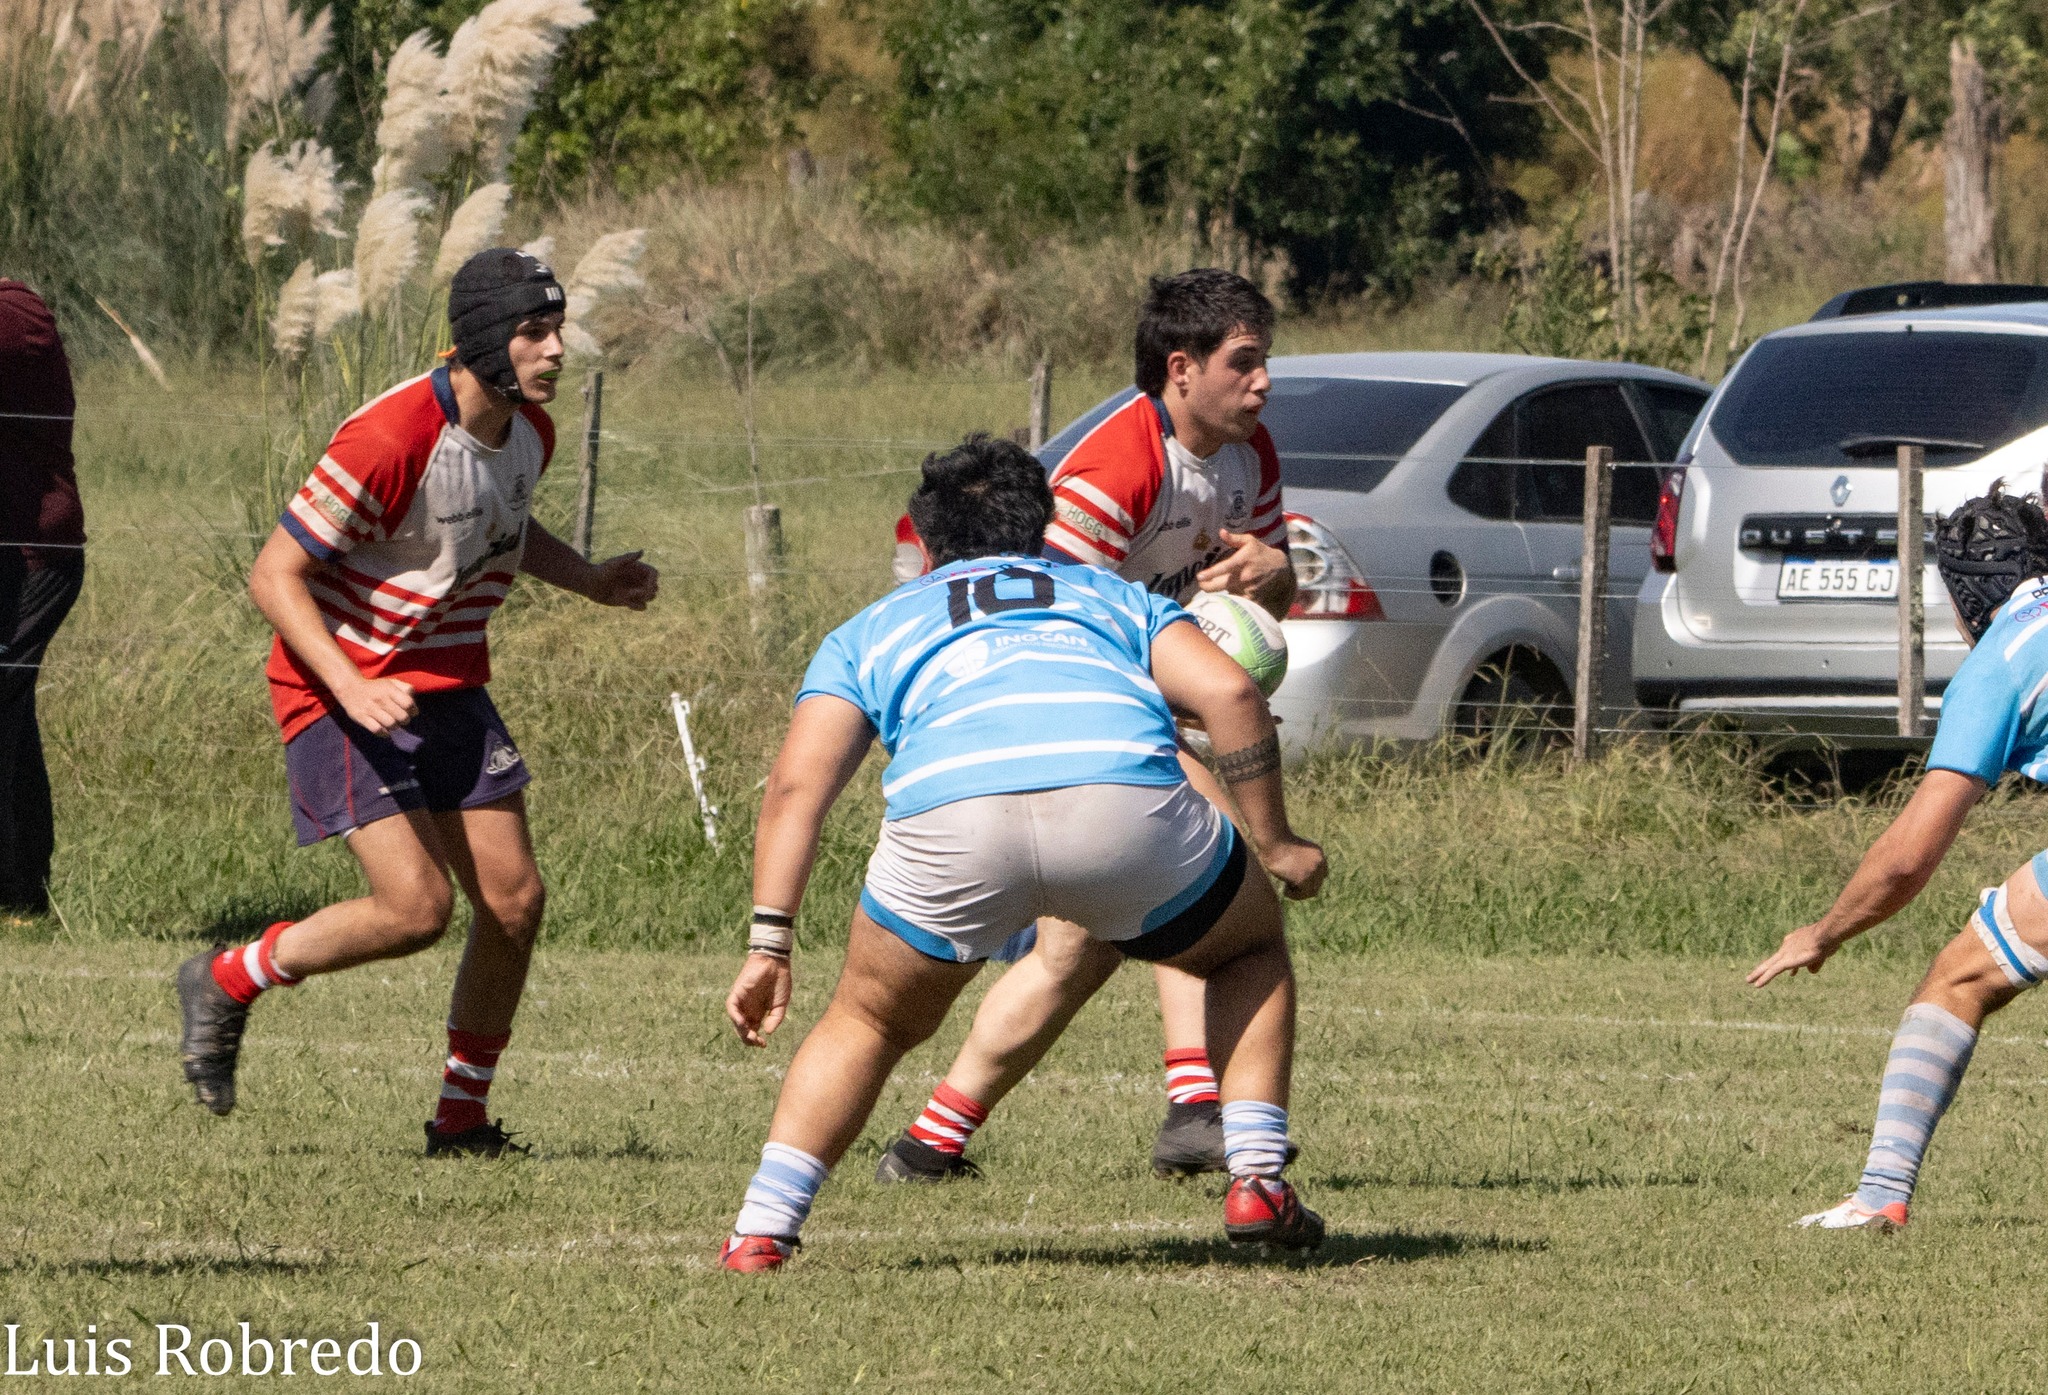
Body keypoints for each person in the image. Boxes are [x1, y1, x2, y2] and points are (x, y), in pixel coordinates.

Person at [718, 435, 1327, 1271]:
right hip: (1121, 808)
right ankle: (1257, 1177)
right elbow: (1229, 692)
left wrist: (769, 941)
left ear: (925, 545)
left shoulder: (867, 629)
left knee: (867, 1019)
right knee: (1246, 945)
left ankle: (762, 1228)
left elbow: (796, 790)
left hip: (954, 824)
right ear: (1041, 528)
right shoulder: (1109, 596)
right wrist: (1278, 842)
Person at [174, 249, 659, 1154]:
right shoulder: (391, 437)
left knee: (514, 902)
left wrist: (588, 579)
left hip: (444, 682)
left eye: (558, 329)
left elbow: (500, 520)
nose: (557, 350)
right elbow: (274, 573)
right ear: (481, 341)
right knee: (415, 910)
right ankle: (229, 976)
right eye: (534, 333)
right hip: (338, 684)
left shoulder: (529, 430)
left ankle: (461, 1118)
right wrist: (352, 683)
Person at [879, 268, 1296, 1181]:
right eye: (1246, 362)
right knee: (1213, 873)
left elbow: (1274, 603)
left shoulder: (1247, 458)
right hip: (1065, 704)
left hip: (1135, 705)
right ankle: (1200, 1109)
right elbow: (1050, 624)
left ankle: (930, 1143)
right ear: (1181, 369)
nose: (1264, 382)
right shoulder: (1116, 469)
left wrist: (1274, 577)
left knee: (1085, 947)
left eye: (1266, 361)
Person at [1749, 486, 2048, 1230]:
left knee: (1956, 978)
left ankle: (1881, 1195)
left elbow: (1908, 857)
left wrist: (1823, 933)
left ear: (1968, 597)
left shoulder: (2002, 657)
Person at [0, 281, 87, 917]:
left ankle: (20, 892)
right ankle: (21, 894)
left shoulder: (13, 310)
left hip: (32, 557)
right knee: (10, 719)